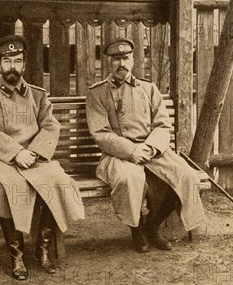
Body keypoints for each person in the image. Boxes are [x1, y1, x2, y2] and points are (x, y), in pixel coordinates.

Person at [0, 35, 85, 280]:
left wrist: (35, 152)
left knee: (59, 182)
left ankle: (41, 250)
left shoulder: (38, 95)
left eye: (17, 61)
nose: (12, 67)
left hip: (34, 156)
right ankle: (16, 256)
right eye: (7, 61)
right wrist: (15, 152)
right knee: (8, 187)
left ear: (24, 65)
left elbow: (51, 126)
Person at [85, 38, 207, 253]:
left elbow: (162, 125)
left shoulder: (149, 89)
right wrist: (131, 151)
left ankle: (152, 225)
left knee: (186, 176)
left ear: (133, 60)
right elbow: (101, 133)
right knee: (129, 179)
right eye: (116, 60)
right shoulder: (97, 93)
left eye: (125, 58)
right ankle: (136, 228)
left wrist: (149, 148)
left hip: (152, 151)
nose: (121, 63)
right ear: (108, 63)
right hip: (118, 154)